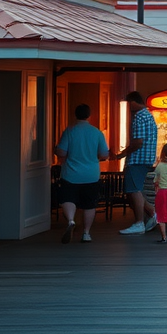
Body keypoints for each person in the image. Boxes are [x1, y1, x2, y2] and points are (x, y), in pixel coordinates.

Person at [54, 104, 109, 244]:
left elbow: (61, 152)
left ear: (75, 115)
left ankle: (71, 220)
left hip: (70, 174)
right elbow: (104, 154)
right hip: (91, 174)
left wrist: (56, 149)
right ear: (89, 115)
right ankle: (86, 233)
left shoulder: (69, 131)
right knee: (89, 205)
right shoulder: (97, 133)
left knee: (68, 199)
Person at [115, 91, 158, 235]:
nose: (128, 108)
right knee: (135, 189)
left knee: (134, 191)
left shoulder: (139, 117)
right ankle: (152, 213)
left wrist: (123, 153)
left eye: (128, 104)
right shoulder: (149, 116)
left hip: (137, 159)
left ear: (133, 102)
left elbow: (138, 142)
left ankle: (139, 222)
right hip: (147, 158)